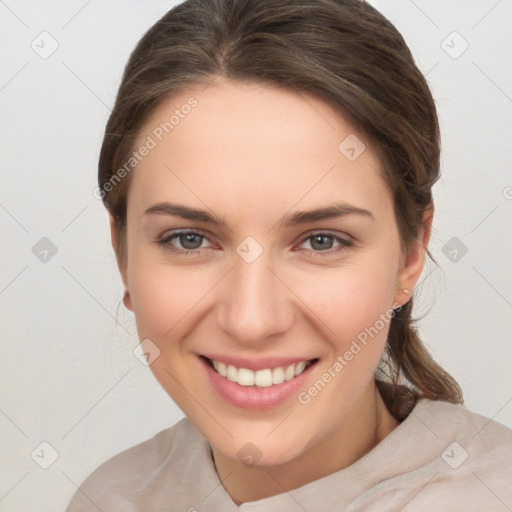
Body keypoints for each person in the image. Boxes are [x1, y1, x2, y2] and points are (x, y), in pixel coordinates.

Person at [66, 0, 512, 510]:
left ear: (411, 255)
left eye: (322, 240)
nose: (252, 320)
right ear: (124, 257)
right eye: (189, 239)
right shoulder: (110, 497)